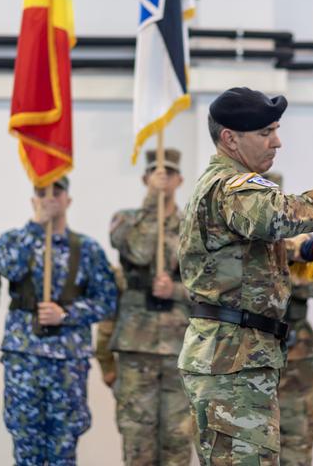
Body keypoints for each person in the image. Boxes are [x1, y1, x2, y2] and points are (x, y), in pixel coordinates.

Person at [178, 87, 313, 465]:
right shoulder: (231, 185)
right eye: (265, 133)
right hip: (232, 359)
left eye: (276, 130)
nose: (277, 142)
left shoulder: (230, 187)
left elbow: (246, 255)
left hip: (239, 356)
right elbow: (274, 215)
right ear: (230, 138)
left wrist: (301, 250)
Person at [0, 175, 118, 466]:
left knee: (63, 450)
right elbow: (5, 265)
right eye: (41, 192)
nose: (49, 198)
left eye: (56, 193)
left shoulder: (87, 249)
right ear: (32, 200)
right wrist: (36, 226)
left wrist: (67, 314)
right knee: (26, 450)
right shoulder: (15, 240)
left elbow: (108, 300)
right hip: (24, 360)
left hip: (67, 364)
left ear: (68, 200)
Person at [106, 148, 193, 466]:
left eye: (169, 173)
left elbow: (211, 286)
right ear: (144, 178)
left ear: (179, 179)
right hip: (136, 346)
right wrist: (151, 203)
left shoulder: (193, 226)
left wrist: (176, 291)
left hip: (179, 346)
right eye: (155, 173)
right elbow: (140, 253)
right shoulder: (126, 219)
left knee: (178, 441)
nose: (162, 179)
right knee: (137, 441)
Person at [266, 172, 313, 466]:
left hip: (295, 353)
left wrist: (299, 263)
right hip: (249, 354)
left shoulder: (298, 239)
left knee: (299, 434)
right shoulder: (235, 238)